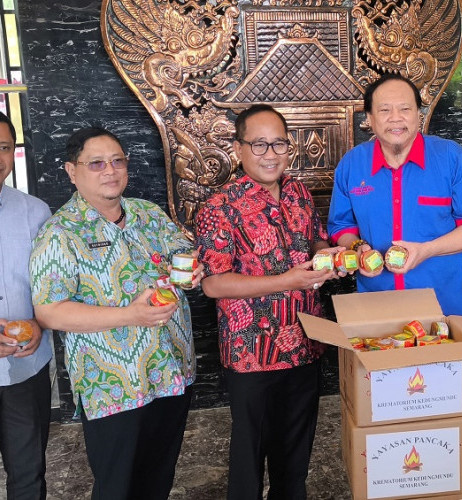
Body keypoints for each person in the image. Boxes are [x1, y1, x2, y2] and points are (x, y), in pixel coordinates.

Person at [29, 126, 202, 500]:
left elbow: (179, 259)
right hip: (114, 387)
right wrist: (129, 315)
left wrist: (191, 270)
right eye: (96, 163)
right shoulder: (60, 233)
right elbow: (50, 312)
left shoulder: (148, 213)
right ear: (71, 171)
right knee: (117, 487)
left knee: (158, 478)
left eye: (117, 160)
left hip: (171, 372)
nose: (110, 170)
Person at [195, 104, 337, 500]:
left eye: (278, 143)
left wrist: (327, 260)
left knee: (296, 457)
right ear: (238, 149)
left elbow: (318, 240)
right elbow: (213, 284)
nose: (270, 154)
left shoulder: (298, 192)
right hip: (252, 353)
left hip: (306, 343)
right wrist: (286, 280)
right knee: (249, 456)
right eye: (259, 145)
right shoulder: (218, 208)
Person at [327, 73, 462, 316]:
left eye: (405, 108)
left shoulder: (452, 159)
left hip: (444, 307)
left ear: (418, 115)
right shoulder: (352, 164)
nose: (396, 118)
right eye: (384, 110)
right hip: (376, 306)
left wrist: (427, 250)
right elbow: (341, 225)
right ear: (370, 119)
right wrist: (358, 247)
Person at [0, 111, 52, 499]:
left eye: (4, 147)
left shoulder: (36, 211)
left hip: (25, 366)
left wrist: (41, 322)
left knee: (28, 473)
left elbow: (54, 284)